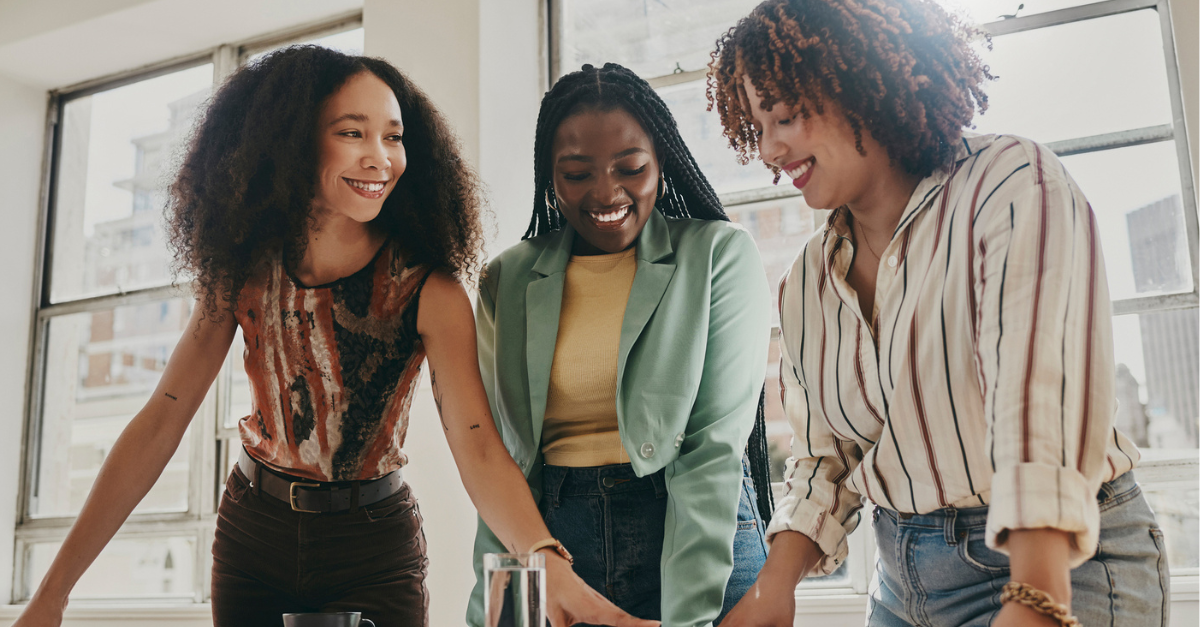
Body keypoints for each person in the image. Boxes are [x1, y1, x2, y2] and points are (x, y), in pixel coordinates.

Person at [14, 47, 655, 627]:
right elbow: (161, 421)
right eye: (353, 133)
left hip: (372, 547)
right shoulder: (242, 274)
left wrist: (546, 561)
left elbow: (480, 448)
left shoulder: (429, 290)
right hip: (253, 535)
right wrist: (53, 594)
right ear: (293, 143)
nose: (381, 157)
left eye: (394, 136)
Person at [707, 1, 1170, 626]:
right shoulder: (805, 282)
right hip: (903, 581)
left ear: (863, 85)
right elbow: (827, 461)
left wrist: (1037, 596)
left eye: (784, 117)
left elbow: (1040, 407)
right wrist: (773, 586)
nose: (768, 149)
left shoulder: (1010, 184)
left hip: (1060, 562)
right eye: (756, 127)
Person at [469, 62, 775, 627]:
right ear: (550, 176)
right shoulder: (507, 278)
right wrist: (499, 596)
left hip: (692, 532)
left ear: (661, 161)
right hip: (557, 542)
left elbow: (711, 450)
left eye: (630, 168)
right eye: (577, 173)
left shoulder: (717, 256)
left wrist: (688, 619)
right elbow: (503, 456)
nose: (607, 192)